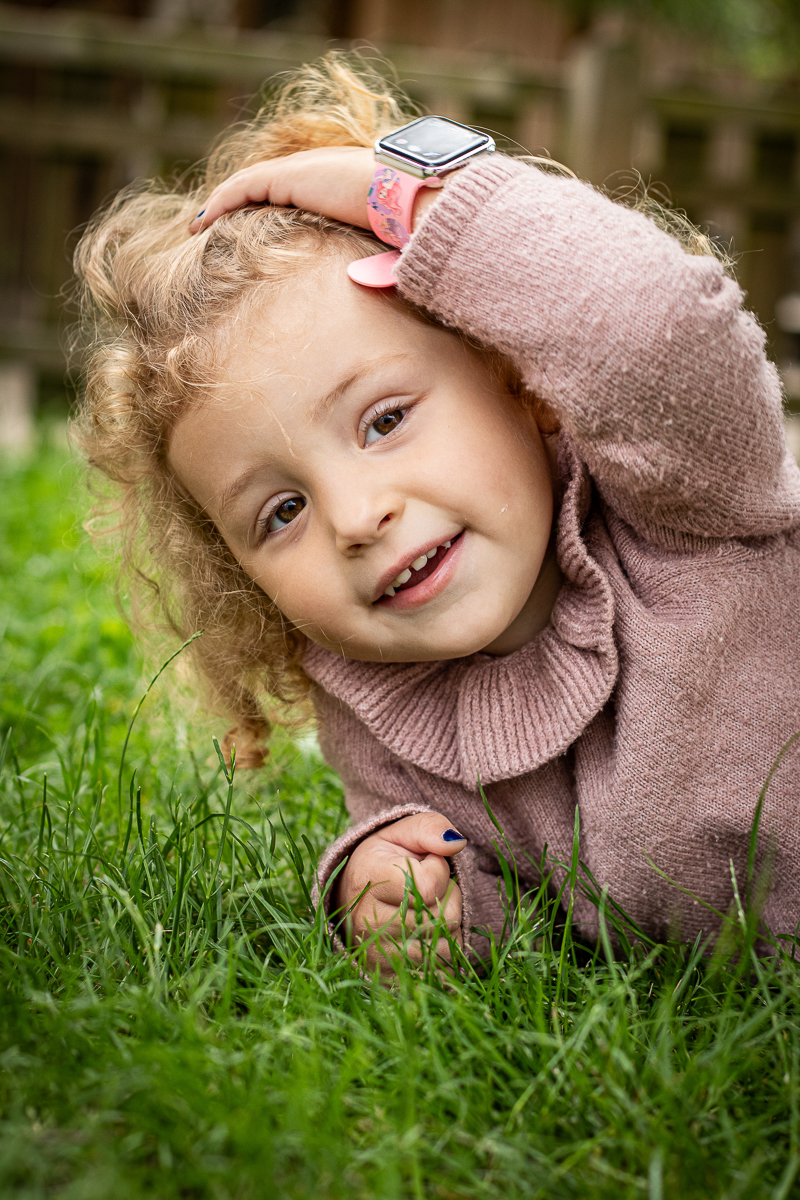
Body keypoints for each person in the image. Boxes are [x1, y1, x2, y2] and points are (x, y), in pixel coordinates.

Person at [72, 55, 800, 976]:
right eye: (282, 509)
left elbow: (655, 324)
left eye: (384, 420)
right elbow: (474, 873)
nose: (356, 517)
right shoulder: (374, 691)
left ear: (514, 375)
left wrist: (422, 199)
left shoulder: (690, 497)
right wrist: (398, 887)